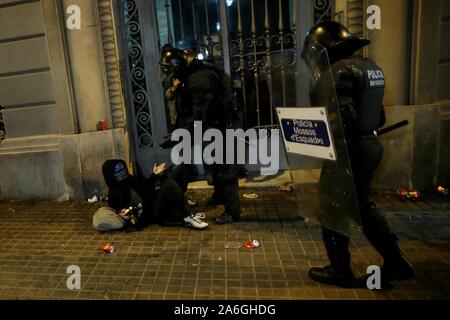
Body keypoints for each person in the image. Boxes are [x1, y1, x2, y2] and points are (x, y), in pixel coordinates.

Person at [302, 21, 414, 288]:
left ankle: (339, 270)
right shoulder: (370, 67)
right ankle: (396, 260)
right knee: (362, 207)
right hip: (369, 146)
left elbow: (342, 118)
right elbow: (379, 115)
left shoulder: (335, 73)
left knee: (331, 209)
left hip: (347, 150)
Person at [159, 42, 243, 224]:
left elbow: (200, 115)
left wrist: (180, 137)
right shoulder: (196, 72)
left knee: (224, 169)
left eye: (171, 70)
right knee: (215, 163)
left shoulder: (199, 79)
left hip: (223, 125)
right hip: (217, 123)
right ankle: (220, 196)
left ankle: (233, 211)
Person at [102, 159, 208, 230]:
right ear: (111, 176)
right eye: (118, 172)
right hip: (153, 211)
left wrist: (154, 175)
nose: (123, 173)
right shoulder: (115, 193)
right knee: (169, 184)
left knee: (180, 168)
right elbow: (127, 213)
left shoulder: (130, 180)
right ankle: (187, 216)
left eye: (123, 169)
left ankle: (180, 199)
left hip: (154, 198)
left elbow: (145, 186)